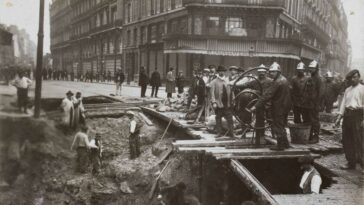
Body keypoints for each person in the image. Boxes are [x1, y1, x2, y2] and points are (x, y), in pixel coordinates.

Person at [249, 62, 291, 150]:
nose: (271, 73)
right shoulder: (284, 79)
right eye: (270, 72)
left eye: (273, 72)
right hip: (285, 106)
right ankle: (285, 143)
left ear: (278, 72)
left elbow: (267, 95)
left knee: (278, 125)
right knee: (282, 125)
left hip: (279, 107)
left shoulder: (277, 82)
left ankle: (280, 146)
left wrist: (255, 106)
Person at [235, 64, 273, 144]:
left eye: (263, 72)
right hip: (256, 102)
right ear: (258, 73)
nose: (261, 74)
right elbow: (245, 85)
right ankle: (256, 135)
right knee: (254, 117)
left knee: (269, 118)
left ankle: (270, 135)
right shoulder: (255, 81)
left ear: (266, 72)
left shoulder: (270, 81)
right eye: (260, 72)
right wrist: (235, 84)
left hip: (267, 103)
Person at [335, 69, 364, 171]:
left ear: (359, 77)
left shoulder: (362, 89)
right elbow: (343, 104)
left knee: (359, 140)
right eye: (351, 77)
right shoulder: (348, 90)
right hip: (348, 116)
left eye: (355, 77)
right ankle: (350, 162)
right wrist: (339, 117)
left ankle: (362, 163)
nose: (353, 79)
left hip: (358, 116)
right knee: (347, 140)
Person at [210, 65, 236, 138]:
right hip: (219, 103)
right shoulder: (214, 82)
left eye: (223, 71)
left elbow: (232, 91)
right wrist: (214, 102)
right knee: (218, 118)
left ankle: (232, 133)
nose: (222, 72)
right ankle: (219, 133)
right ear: (218, 72)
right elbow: (212, 93)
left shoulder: (227, 81)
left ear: (225, 72)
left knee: (230, 119)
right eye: (220, 71)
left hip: (227, 103)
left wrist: (233, 99)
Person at [302, 60, 323, 144]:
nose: (311, 70)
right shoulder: (310, 78)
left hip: (314, 104)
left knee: (314, 120)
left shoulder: (319, 79)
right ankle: (309, 135)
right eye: (310, 68)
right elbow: (305, 90)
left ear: (316, 69)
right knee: (307, 119)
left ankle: (315, 136)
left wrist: (318, 104)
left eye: (313, 68)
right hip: (307, 103)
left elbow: (321, 93)